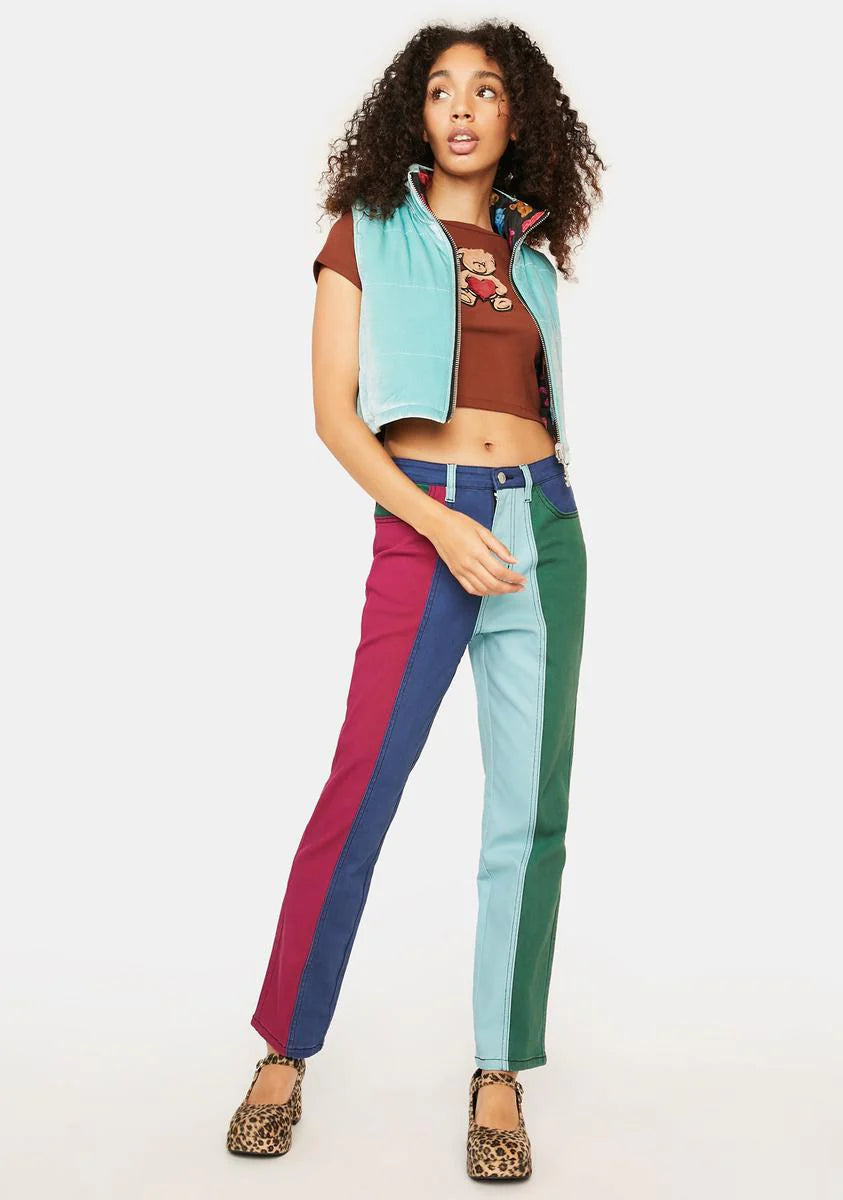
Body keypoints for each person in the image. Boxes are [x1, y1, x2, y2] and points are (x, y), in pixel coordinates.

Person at [226, 21, 604, 1181]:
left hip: (540, 530)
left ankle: (500, 1073)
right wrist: (437, 524)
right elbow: (334, 414)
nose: (463, 108)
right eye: (442, 90)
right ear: (415, 112)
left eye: (486, 90)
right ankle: (284, 1051)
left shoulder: (532, 254)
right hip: (425, 524)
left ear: (516, 115)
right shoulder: (368, 230)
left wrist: (529, 518)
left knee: (529, 817)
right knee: (361, 793)